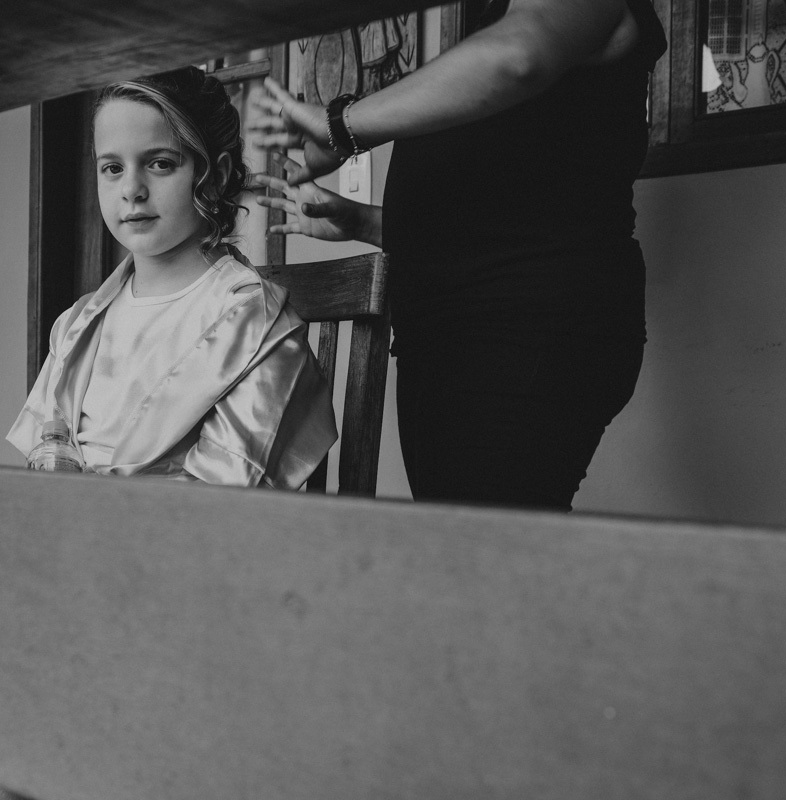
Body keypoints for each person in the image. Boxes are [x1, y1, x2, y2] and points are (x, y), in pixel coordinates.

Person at [0, 66, 336, 800]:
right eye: (111, 168)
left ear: (216, 173)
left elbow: (218, 528)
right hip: (61, 583)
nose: (132, 190)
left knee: (9, 736)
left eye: (161, 163)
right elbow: (44, 478)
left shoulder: (256, 325)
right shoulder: (78, 324)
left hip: (178, 611)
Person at [249, 0, 667, 511]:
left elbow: (516, 57)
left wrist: (340, 125)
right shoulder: (499, 20)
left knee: (482, 544)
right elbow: (516, 200)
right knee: (459, 537)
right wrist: (364, 222)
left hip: (525, 324)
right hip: (456, 326)